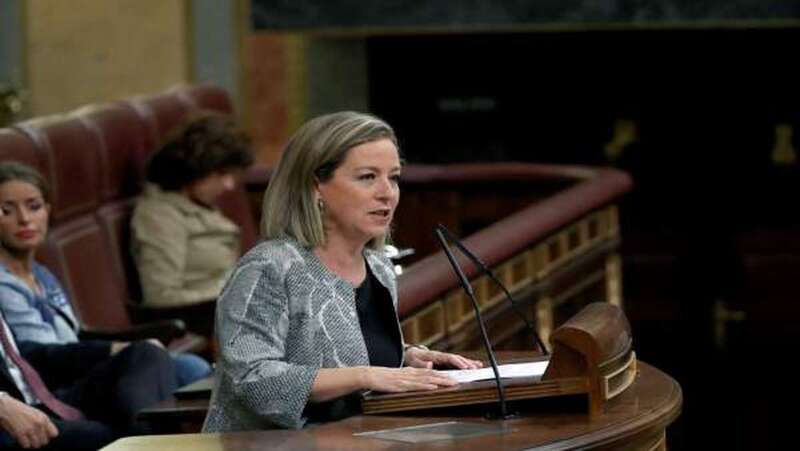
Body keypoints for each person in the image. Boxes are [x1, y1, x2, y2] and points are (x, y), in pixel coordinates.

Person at [203, 111, 483, 432]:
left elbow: (338, 348)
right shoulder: (269, 267)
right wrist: (367, 375)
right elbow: (252, 379)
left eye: (393, 177)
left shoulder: (379, 267)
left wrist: (406, 358)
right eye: (367, 177)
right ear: (315, 186)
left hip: (362, 437)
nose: (387, 192)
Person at [0, 161, 210, 387]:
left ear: (47, 211)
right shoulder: (4, 284)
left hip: (83, 365)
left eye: (34, 207)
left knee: (190, 366)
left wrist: (127, 347)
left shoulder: (41, 274)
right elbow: (35, 356)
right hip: (58, 384)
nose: (24, 219)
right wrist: (112, 350)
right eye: (6, 211)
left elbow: (76, 334)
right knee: (186, 368)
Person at [130, 111, 254, 338]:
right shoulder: (160, 216)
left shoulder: (197, 203)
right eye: (221, 174)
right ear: (195, 167)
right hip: (203, 324)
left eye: (232, 175)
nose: (229, 185)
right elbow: (162, 296)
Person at [0, 311, 176, 450]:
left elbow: (23, 354)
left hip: (45, 400)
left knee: (147, 352)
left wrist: (109, 348)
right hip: (12, 421)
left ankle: (151, 440)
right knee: (108, 435)